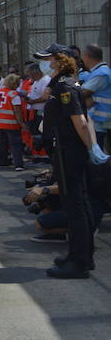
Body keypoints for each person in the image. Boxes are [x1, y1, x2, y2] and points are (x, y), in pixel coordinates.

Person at [35, 44, 109, 278]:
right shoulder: (63, 84)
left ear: (61, 60)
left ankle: (79, 261)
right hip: (67, 151)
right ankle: (80, 255)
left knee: (76, 207)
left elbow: (80, 121)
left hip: (70, 153)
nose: (47, 63)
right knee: (80, 205)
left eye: (50, 59)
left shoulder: (66, 86)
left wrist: (91, 148)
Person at [80, 44, 111, 152]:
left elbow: (83, 93)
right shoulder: (96, 72)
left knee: (99, 153)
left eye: (82, 56)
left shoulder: (101, 73)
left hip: (102, 121)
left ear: (87, 56)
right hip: (98, 120)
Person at [0, 73, 26, 171]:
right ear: (14, 83)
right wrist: (21, 123)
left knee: (1, 144)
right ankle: (18, 164)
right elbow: (17, 111)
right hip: (11, 124)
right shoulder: (13, 95)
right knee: (16, 144)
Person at [23, 62, 51, 161]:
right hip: (34, 111)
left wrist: (32, 101)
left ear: (37, 73)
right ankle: (37, 156)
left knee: (41, 135)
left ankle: (44, 157)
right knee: (35, 135)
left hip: (41, 111)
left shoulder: (45, 81)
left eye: (31, 74)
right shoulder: (36, 81)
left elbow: (45, 97)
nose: (30, 77)